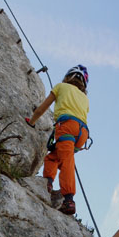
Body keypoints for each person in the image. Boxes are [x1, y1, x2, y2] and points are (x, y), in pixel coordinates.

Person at [26, 65, 89, 215]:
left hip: (66, 126)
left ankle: (69, 199)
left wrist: (32, 121)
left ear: (68, 77)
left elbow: (42, 108)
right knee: (53, 157)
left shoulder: (61, 87)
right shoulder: (85, 98)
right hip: (83, 134)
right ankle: (47, 182)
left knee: (66, 161)